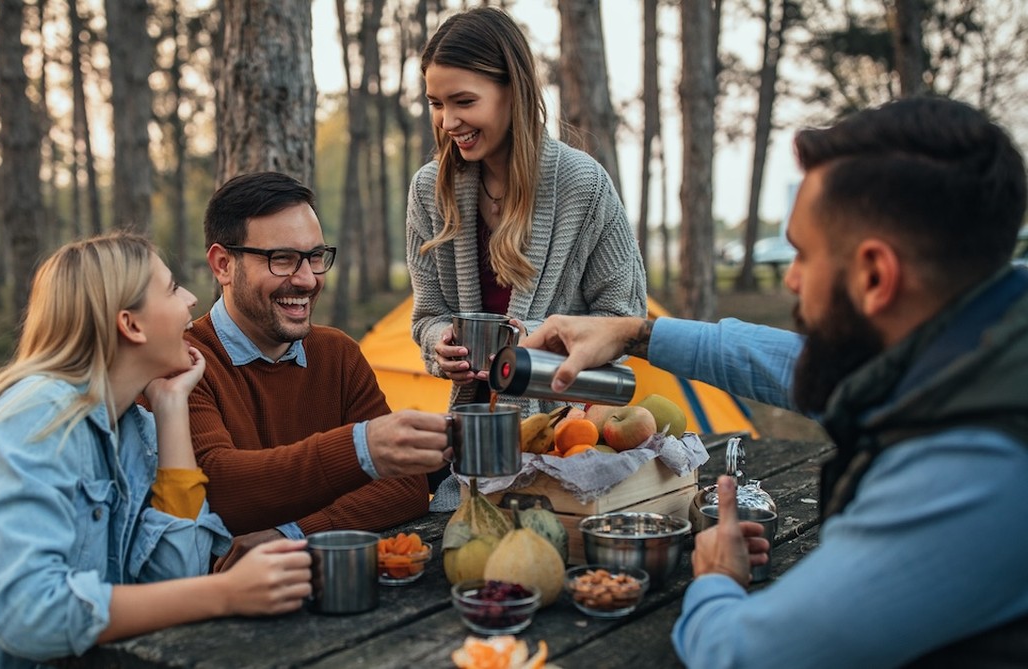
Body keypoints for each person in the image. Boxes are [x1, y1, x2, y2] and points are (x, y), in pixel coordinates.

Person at [521, 97, 1028, 667]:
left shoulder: (973, 463)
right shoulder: (986, 339)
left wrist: (715, 580)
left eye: (805, 256)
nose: (790, 280)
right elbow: (810, 367)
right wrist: (637, 333)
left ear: (876, 275)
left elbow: (745, 653)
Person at [0, 233, 313, 668]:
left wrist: (173, 412)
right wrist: (226, 593)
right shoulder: (36, 421)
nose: (192, 300)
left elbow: (175, 578)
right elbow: (29, 616)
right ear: (131, 325)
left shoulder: (138, 427)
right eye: (173, 288)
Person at [185, 171, 450, 570]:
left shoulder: (337, 354)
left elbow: (404, 486)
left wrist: (289, 533)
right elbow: (220, 490)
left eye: (314, 256)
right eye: (283, 259)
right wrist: (362, 449)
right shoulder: (185, 364)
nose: (307, 279)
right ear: (223, 264)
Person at [406, 6, 647, 423]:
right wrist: (439, 342)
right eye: (436, 103)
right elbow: (429, 314)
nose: (447, 121)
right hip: (476, 427)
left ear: (513, 91)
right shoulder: (430, 191)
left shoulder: (583, 185)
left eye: (464, 101)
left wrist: (534, 340)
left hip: (571, 428)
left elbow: (624, 319)